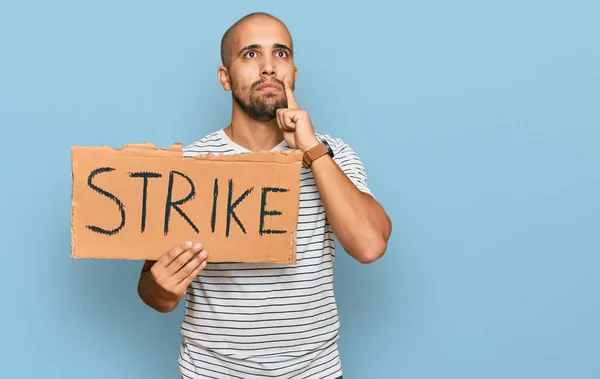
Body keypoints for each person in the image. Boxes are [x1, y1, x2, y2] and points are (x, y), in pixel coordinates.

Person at [137, 11, 392, 379]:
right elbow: (151, 290)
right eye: (251, 54)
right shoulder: (188, 166)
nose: (269, 67)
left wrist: (310, 149)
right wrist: (162, 290)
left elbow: (370, 245)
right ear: (225, 77)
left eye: (281, 54)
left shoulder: (331, 154)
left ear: (294, 75)